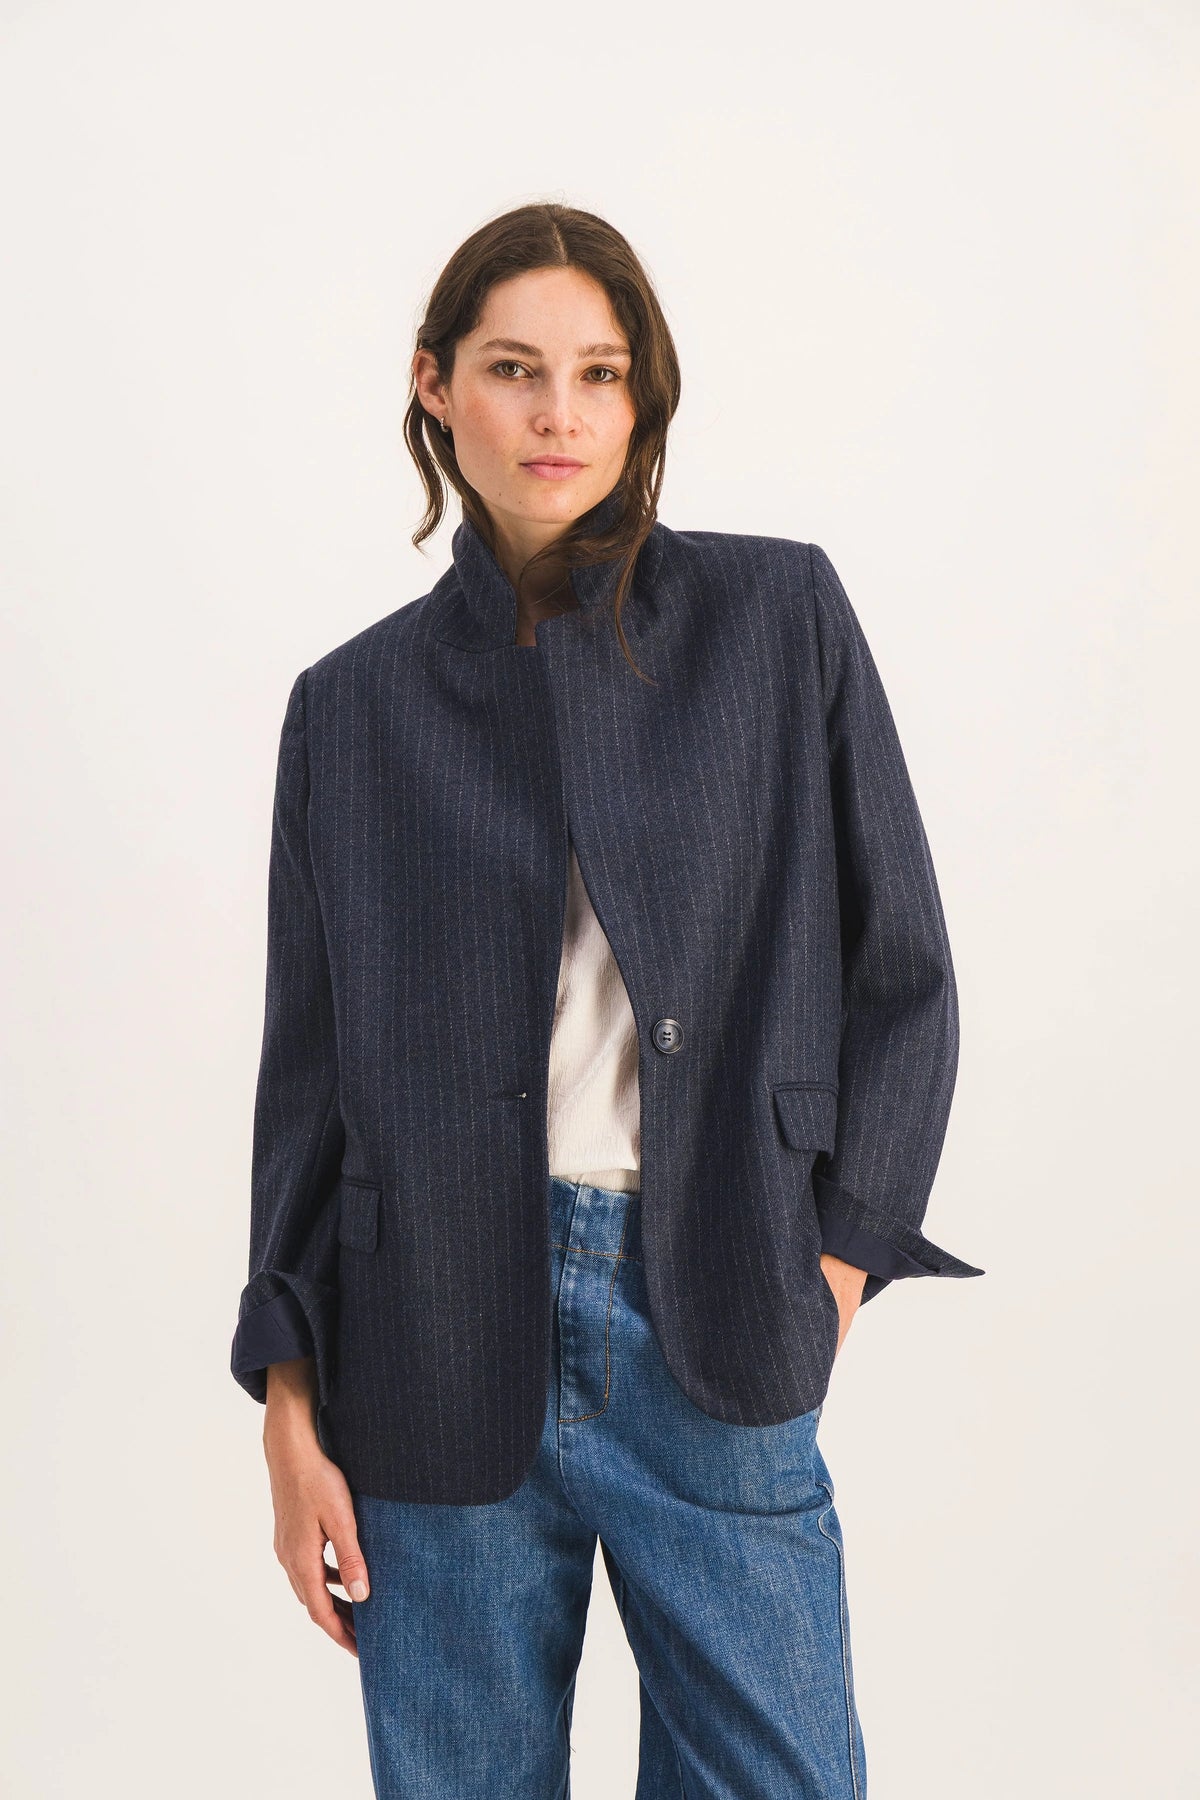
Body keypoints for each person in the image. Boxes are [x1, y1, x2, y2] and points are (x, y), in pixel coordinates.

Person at [230, 201, 985, 1799]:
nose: (557, 413)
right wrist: (290, 1403)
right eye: (514, 369)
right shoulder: (350, 709)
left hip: (715, 1303)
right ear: (436, 384)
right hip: (425, 1343)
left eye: (599, 372)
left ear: (643, 397)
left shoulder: (778, 621)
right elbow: (308, 1084)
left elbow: (903, 976)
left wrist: (834, 1267)